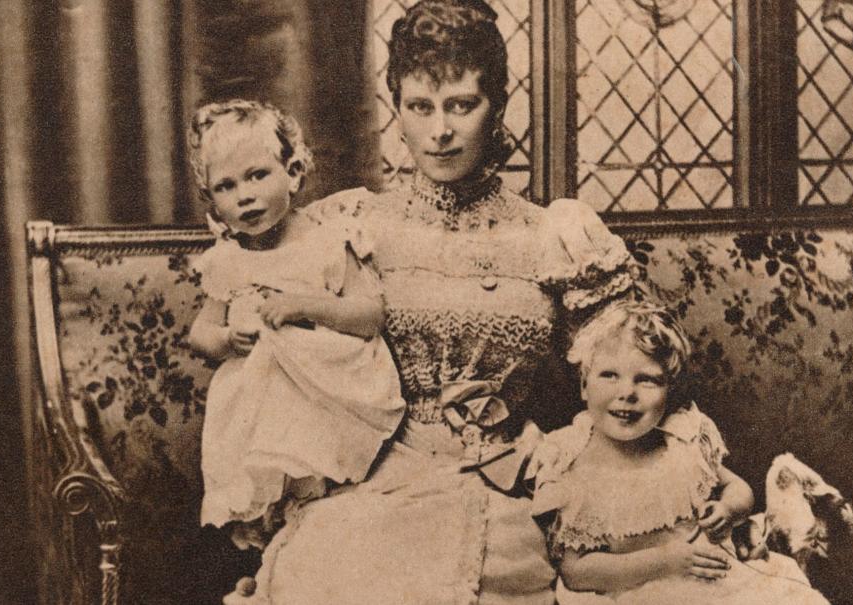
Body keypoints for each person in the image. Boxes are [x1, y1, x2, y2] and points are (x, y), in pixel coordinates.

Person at [226, 2, 637, 603]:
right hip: (375, 483)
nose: (439, 131)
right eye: (420, 107)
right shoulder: (352, 224)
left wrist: (559, 449)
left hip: (504, 484)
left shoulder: (553, 235)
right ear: (398, 109)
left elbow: (637, 368)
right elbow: (248, 291)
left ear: (494, 106)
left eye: (461, 105)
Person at [186, 99, 405, 550]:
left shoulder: (328, 241)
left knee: (325, 517)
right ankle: (268, 571)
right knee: (268, 517)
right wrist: (227, 339)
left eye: (257, 175)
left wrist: (304, 306)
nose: (244, 195)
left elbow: (370, 317)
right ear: (212, 202)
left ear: (294, 172)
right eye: (226, 186)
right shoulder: (227, 261)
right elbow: (200, 334)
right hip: (256, 412)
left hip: (326, 396)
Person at [530, 300, 831, 604]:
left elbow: (739, 488)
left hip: (711, 583)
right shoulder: (570, 462)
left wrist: (728, 510)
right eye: (609, 375)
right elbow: (575, 571)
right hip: (630, 593)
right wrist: (666, 561)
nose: (626, 394)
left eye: (646, 379)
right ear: (584, 385)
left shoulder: (681, 441)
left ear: (669, 390)